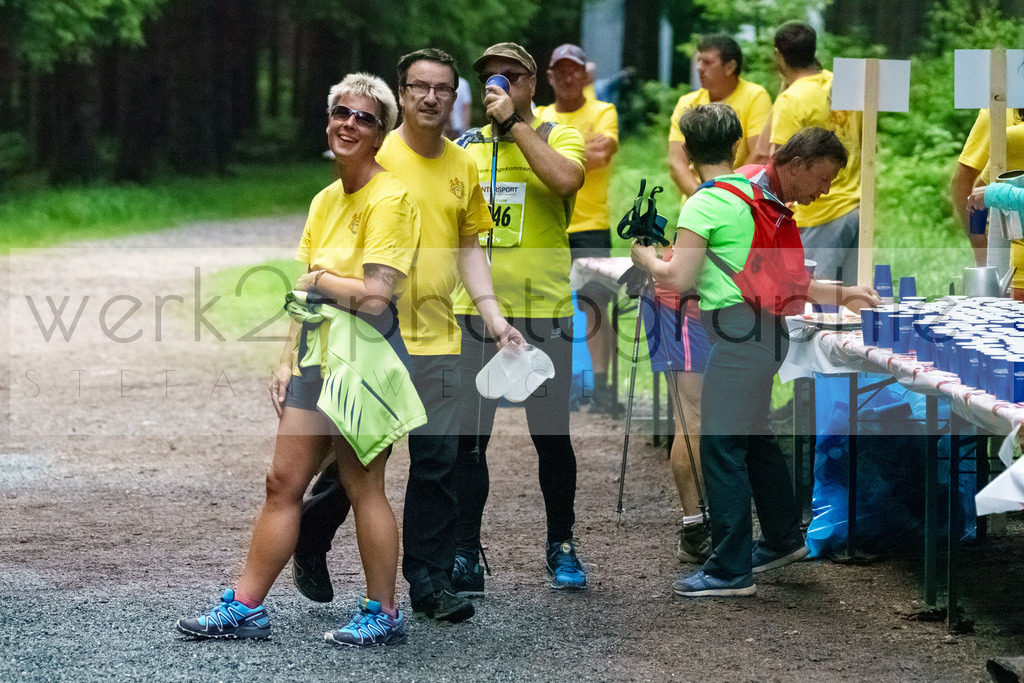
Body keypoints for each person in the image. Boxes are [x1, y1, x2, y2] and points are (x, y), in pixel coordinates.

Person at [176, 73, 421, 645]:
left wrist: (319, 278)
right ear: (328, 120)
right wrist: (287, 358)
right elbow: (304, 297)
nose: (349, 124)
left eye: (365, 117)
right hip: (317, 357)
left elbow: (378, 294)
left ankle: (383, 614)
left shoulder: (392, 199)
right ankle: (246, 605)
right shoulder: (324, 200)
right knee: (281, 482)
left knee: (363, 486)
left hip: (366, 359)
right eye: (342, 112)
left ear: (381, 134)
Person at [290, 49, 524, 624]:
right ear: (402, 94)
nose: (430, 97)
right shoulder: (374, 150)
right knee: (360, 465)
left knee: (438, 463)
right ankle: (310, 538)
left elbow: (470, 245)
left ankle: (430, 582)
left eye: (442, 88)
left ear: (454, 96)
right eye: (418, 87)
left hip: (442, 334)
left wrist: (493, 316)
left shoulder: (464, 165)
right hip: (374, 336)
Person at [631, 105, 880, 597]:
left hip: (738, 333)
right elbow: (783, 278)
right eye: (825, 179)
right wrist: (842, 291)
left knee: (722, 445)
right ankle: (785, 537)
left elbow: (678, 278)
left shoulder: (707, 202)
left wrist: (645, 256)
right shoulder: (754, 194)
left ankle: (729, 569)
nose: (825, 190)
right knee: (756, 436)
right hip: (768, 333)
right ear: (739, 145)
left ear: (686, 150)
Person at [451, 42, 588, 593]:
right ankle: (465, 551)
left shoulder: (557, 134)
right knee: (469, 440)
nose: (498, 85)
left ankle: (561, 545)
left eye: (510, 76)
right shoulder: (464, 146)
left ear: (533, 83)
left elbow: (566, 181)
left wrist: (515, 128)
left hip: (543, 311)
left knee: (550, 437)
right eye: (489, 78)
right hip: (476, 315)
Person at [536, 44, 621, 415]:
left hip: (590, 224)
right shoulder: (539, 114)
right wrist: (575, 151)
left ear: (586, 75)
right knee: (545, 305)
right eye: (560, 70)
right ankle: (551, 384)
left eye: (575, 70)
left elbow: (602, 154)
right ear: (551, 77)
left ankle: (600, 389)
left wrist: (548, 151)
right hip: (549, 222)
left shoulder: (604, 111)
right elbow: (528, 155)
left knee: (595, 305)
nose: (568, 76)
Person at [768, 21, 863, 286]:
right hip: (856, 209)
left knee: (809, 301)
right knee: (847, 302)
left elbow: (779, 164)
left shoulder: (791, 100)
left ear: (779, 56)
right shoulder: (842, 83)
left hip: (819, 213)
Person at [668, 35, 771, 198]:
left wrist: (728, 194)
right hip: (699, 198)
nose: (699, 68)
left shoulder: (755, 96)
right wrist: (703, 197)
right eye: (699, 61)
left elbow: (759, 155)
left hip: (740, 198)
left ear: (730, 67)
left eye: (707, 62)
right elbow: (676, 162)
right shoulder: (687, 103)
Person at [951, 108, 1024, 265]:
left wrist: (994, 194)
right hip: (1009, 264)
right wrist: (982, 252)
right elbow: (966, 182)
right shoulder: (999, 111)